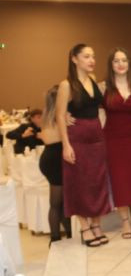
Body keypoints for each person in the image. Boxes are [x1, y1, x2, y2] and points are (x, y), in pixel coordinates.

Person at [56, 44, 111, 247]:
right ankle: (85, 227)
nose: (92, 60)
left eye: (93, 56)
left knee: (97, 181)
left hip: (96, 136)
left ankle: (96, 224)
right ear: (74, 59)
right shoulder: (66, 85)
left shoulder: (93, 79)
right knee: (79, 183)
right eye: (86, 56)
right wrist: (66, 145)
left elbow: (99, 106)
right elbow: (59, 116)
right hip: (77, 138)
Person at [103, 48, 131, 239]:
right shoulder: (103, 87)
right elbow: (87, 107)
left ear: (129, 63)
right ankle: (125, 221)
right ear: (111, 65)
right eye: (116, 61)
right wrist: (67, 114)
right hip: (113, 138)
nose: (120, 64)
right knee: (119, 179)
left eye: (124, 60)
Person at [38, 87, 71, 243]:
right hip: (56, 160)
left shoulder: (47, 116)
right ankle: (55, 239)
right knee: (57, 203)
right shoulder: (61, 117)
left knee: (60, 202)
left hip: (48, 157)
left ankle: (66, 235)